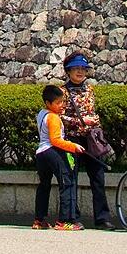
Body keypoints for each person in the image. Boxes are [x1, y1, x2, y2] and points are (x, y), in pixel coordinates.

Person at [60, 53, 114, 229]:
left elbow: (92, 111)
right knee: (72, 178)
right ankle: (72, 217)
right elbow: (60, 116)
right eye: (76, 69)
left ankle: (102, 218)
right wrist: (77, 121)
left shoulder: (89, 89)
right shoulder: (62, 91)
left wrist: (94, 122)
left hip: (91, 139)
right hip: (72, 140)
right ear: (68, 71)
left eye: (83, 69)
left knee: (98, 178)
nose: (80, 72)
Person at [33, 84, 85, 231]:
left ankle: (39, 219)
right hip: (52, 152)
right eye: (58, 103)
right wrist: (73, 146)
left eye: (62, 101)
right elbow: (56, 140)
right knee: (67, 182)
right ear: (48, 103)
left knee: (44, 185)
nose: (61, 105)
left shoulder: (41, 113)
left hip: (41, 153)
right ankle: (64, 220)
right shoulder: (54, 118)